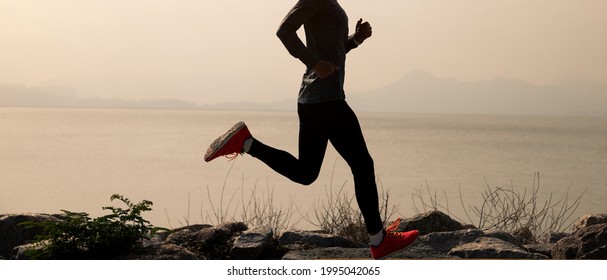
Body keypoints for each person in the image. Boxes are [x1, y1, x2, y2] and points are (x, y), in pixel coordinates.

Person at [204, 0, 418, 259]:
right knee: (362, 165)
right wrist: (314, 63)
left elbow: (331, 51)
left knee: (306, 173)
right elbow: (284, 31)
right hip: (326, 101)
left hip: (315, 101)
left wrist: (355, 40)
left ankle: (246, 142)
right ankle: (378, 240)